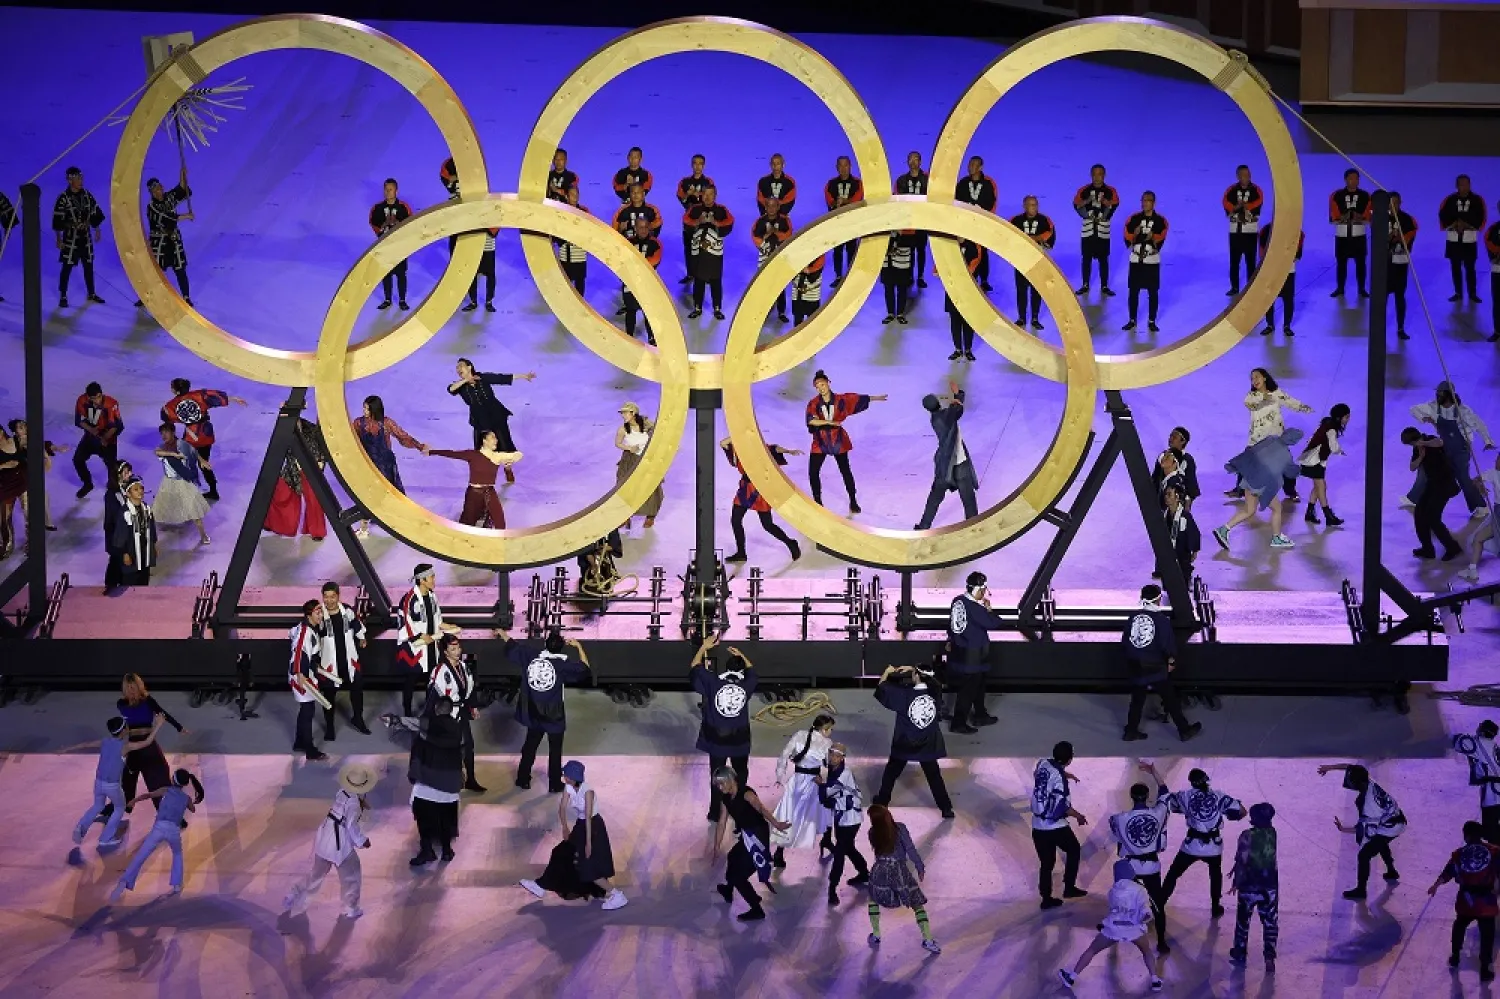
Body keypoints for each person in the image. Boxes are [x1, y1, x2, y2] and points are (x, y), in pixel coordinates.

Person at [1216, 368, 1313, 551]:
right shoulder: (1251, 397)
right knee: (1275, 507)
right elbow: (1250, 404)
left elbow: (1289, 401)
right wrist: (1264, 398)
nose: (1254, 380)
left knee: (1249, 509)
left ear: (1265, 377)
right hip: (1257, 451)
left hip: (1271, 449)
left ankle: (1224, 529)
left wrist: (1302, 407)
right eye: (1252, 378)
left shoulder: (1276, 394)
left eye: (1257, 377)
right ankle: (1276, 537)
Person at [523, 760, 629, 909]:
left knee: (588, 866)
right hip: (581, 825)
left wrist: (588, 843)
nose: (563, 776)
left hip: (593, 827)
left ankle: (617, 895)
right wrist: (565, 827)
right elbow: (562, 808)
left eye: (565, 774)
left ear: (572, 777)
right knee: (561, 852)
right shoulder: (569, 787)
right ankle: (541, 886)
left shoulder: (588, 793)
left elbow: (588, 818)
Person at [282, 763, 377, 921]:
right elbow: (351, 826)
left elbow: (346, 808)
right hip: (339, 845)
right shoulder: (354, 804)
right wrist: (363, 841)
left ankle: (294, 894)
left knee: (316, 875)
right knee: (352, 876)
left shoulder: (342, 793)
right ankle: (351, 908)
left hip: (325, 837)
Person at [499, 629, 590, 792]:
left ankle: (523, 779)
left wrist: (501, 632)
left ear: (545, 645)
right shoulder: (563, 664)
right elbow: (585, 669)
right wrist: (578, 647)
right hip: (553, 714)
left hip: (534, 710)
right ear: (562, 647)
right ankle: (554, 784)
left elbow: (512, 644)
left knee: (530, 746)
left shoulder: (531, 656)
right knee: (555, 750)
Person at [1057, 859, 1165, 993]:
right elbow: (1146, 911)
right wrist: (1144, 918)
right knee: (1147, 951)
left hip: (1113, 929)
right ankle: (1155, 980)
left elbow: (1113, 910)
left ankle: (1072, 977)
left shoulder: (1113, 891)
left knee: (1092, 950)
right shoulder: (1140, 889)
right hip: (1134, 930)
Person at [96, 673, 188, 828]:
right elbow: (163, 714)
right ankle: (171, 816)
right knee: (156, 782)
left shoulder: (122, 704)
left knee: (132, 782)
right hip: (147, 747)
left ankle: (115, 808)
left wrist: (179, 726)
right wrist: (179, 727)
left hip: (135, 748)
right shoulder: (146, 701)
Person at [1121, 584, 1201, 742]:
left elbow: (1125, 641)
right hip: (1154, 667)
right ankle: (1184, 730)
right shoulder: (1161, 621)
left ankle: (1131, 731)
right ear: (1158, 600)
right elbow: (1167, 645)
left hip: (1135, 664)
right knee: (1170, 698)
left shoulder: (1132, 618)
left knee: (1137, 700)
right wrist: (1171, 661)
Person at [871, 664, 954, 818]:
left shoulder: (903, 695)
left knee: (891, 773)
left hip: (905, 741)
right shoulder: (935, 692)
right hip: (928, 742)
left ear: (915, 675)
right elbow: (934, 681)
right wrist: (914, 669)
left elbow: (882, 689)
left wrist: (887, 672)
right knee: (934, 776)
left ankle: (882, 802)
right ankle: (946, 808)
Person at [109, 768, 204, 901]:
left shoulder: (166, 790)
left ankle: (125, 881)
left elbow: (148, 795)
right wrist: (189, 802)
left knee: (141, 855)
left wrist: (134, 801)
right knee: (177, 854)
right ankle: (176, 884)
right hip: (174, 831)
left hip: (159, 828)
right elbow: (192, 809)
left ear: (173, 779)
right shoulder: (186, 798)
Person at [1162, 768, 1246, 917]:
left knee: (1173, 874)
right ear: (1207, 779)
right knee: (1215, 875)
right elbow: (1242, 811)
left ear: (1191, 783)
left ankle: (1160, 902)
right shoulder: (1219, 796)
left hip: (1191, 846)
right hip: (1213, 847)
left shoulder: (1185, 796)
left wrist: (1156, 774)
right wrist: (1231, 816)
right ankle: (1215, 907)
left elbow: (1166, 800)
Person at [690, 634, 757, 822]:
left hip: (717, 740)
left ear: (726, 668)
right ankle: (739, 811)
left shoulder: (713, 682)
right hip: (739, 741)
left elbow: (695, 667)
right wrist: (742, 655)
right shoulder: (747, 685)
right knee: (740, 776)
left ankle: (715, 813)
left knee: (717, 777)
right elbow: (752, 671)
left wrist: (704, 647)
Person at [1109, 761, 1172, 954]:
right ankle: (1161, 942)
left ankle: (1113, 935)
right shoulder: (1159, 813)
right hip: (1151, 866)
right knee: (1158, 904)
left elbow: (1118, 839)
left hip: (1130, 867)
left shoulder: (1118, 819)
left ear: (1131, 797)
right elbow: (1165, 792)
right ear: (1147, 797)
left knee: (1120, 901)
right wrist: (1154, 771)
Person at [710, 767, 788, 921]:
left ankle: (756, 909)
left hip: (757, 837)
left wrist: (777, 824)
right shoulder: (725, 798)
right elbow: (721, 822)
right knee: (732, 856)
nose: (720, 787)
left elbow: (762, 810)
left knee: (739, 877)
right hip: (747, 834)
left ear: (730, 780)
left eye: (721, 783)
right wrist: (716, 847)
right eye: (717, 785)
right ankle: (728, 889)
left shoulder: (747, 794)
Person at [73, 714, 163, 849]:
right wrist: (159, 725)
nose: (128, 728)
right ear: (123, 730)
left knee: (97, 806)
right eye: (126, 726)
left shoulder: (104, 741)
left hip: (98, 782)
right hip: (112, 785)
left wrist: (67, 749)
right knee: (120, 807)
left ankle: (81, 827)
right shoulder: (125, 746)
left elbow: (86, 744)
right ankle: (106, 838)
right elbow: (147, 742)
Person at [1319, 762, 1406, 899]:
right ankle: (1391, 871)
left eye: (1352, 781)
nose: (1350, 783)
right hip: (1395, 819)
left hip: (1390, 827)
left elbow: (1365, 830)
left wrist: (1343, 829)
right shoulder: (1369, 781)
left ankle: (1361, 890)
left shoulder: (1370, 807)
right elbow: (1350, 767)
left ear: (1358, 783)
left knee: (1364, 855)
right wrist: (1329, 768)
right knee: (1381, 843)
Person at [1411, 380, 1495, 517]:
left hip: (1461, 450)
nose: (1437, 396)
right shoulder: (1433, 407)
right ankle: (1414, 499)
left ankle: (1481, 506)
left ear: (1449, 394)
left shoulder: (1463, 411)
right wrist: (1425, 418)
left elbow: (1479, 425)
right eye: (1437, 393)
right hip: (1444, 447)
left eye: (1440, 393)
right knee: (1432, 471)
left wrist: (1487, 441)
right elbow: (1413, 409)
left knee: (1463, 478)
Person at [806, 369, 884, 514]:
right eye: (817, 386)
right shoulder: (813, 403)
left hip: (837, 440)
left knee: (845, 471)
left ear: (828, 383)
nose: (820, 388)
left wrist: (875, 398)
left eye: (822, 385)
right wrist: (831, 423)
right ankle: (818, 502)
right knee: (813, 472)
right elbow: (811, 420)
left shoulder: (841, 400)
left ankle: (853, 500)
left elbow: (858, 399)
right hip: (820, 441)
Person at [865, 803, 940, 954]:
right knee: (916, 904)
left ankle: (877, 934)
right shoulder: (900, 828)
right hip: (899, 870)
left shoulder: (872, 832)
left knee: (873, 899)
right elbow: (910, 849)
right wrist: (919, 866)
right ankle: (928, 940)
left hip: (880, 869)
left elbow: (878, 853)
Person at [1431, 820, 1500, 982]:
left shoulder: (1459, 854)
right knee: (1487, 935)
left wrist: (1436, 885)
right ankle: (1485, 968)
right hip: (1486, 902)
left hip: (1466, 901)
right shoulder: (1495, 851)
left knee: (1460, 925)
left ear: (1466, 835)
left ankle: (1455, 955)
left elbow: (1448, 872)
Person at [448, 358, 535, 481]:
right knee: (481, 449)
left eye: (461, 366)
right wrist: (466, 380)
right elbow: (451, 389)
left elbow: (501, 378)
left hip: (496, 416)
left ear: (469, 367)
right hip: (479, 420)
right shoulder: (460, 386)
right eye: (457, 368)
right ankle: (483, 475)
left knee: (504, 445)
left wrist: (523, 376)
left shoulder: (482, 377)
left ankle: (508, 468)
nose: (458, 369)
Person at [161, 378, 247, 502]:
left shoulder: (171, 405)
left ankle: (186, 492)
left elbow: (165, 416)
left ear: (175, 390)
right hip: (206, 434)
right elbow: (217, 397)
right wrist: (234, 398)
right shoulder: (199, 395)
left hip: (191, 436)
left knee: (186, 463)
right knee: (204, 463)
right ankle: (213, 490)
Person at [770, 714, 836, 869]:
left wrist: (780, 776)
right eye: (830, 729)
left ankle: (779, 852)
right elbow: (828, 763)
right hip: (814, 782)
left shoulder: (800, 734)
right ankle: (826, 839)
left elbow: (784, 755)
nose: (831, 732)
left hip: (796, 780)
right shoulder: (826, 743)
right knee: (824, 810)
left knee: (790, 814)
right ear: (824, 729)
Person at [352, 395, 425, 536]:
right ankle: (364, 528)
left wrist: (419, 446)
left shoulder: (386, 423)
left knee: (390, 494)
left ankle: (397, 523)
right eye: (364, 407)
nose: (364, 411)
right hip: (368, 464)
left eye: (367, 408)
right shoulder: (358, 423)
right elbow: (352, 441)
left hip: (385, 464)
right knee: (366, 495)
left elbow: (403, 437)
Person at [720, 437, 801, 563]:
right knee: (735, 520)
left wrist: (788, 451)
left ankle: (790, 543)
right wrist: (737, 433)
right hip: (745, 488)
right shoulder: (737, 447)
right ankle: (741, 553)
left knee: (767, 525)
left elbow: (774, 449)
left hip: (760, 490)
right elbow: (723, 443)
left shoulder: (759, 447)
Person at [395, 564, 460, 716]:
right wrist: (420, 636)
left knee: (432, 679)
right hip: (416, 648)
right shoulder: (409, 599)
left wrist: (448, 626)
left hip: (431, 646)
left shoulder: (432, 596)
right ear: (422, 580)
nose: (434, 579)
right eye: (431, 577)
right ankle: (407, 711)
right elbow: (405, 622)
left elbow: (437, 620)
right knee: (411, 680)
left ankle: (430, 709)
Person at [1032, 740, 1089, 910]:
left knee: (1046, 864)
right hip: (1054, 827)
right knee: (1074, 849)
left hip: (1037, 826)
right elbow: (1062, 807)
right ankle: (1069, 887)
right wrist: (1078, 816)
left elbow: (1041, 776)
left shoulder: (1043, 762)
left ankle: (1046, 897)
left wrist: (1064, 774)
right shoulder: (1060, 783)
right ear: (1069, 759)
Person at [424, 431, 523, 528]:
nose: (496, 440)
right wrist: (432, 452)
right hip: (474, 494)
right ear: (484, 440)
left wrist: (509, 460)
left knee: (499, 520)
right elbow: (452, 454)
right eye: (493, 437)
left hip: (489, 492)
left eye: (496, 438)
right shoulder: (472, 454)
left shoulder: (497, 456)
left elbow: (518, 455)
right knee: (467, 523)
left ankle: (499, 539)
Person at [408, 695, 464, 866]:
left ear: (436, 709)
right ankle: (446, 851)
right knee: (446, 820)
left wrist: (413, 776)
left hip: (426, 783)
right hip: (450, 786)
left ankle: (427, 851)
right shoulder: (458, 729)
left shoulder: (426, 727)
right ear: (450, 710)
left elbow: (417, 755)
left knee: (423, 821)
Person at [915, 383, 978, 530]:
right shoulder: (944, 417)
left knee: (935, 498)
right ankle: (973, 527)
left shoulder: (936, 418)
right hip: (958, 465)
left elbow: (955, 410)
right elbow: (957, 410)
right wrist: (957, 394)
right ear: (937, 403)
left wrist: (956, 401)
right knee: (968, 500)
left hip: (944, 466)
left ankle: (924, 526)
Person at [947, 571, 1003, 732]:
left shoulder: (957, 601)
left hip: (961, 651)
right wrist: (989, 609)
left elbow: (952, 624)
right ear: (979, 590)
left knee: (978, 686)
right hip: (974, 655)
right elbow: (994, 623)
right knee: (968, 690)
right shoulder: (975, 608)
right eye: (984, 590)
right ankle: (958, 723)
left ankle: (980, 714)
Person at [1228, 802, 1280, 972]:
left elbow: (1242, 860)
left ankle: (1240, 951)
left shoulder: (1246, 835)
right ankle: (1269, 956)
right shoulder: (1273, 833)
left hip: (1249, 885)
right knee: (1270, 922)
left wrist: (1236, 882)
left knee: (1243, 921)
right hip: (1269, 886)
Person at [429, 634, 484, 792]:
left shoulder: (464, 667)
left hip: (461, 712)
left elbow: (471, 688)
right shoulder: (439, 671)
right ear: (445, 652)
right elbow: (433, 697)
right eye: (453, 649)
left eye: (458, 647)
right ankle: (452, 779)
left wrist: (473, 707)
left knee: (468, 746)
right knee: (450, 749)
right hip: (446, 715)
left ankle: (471, 779)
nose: (457, 651)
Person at [818, 742, 870, 906]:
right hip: (843, 818)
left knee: (840, 852)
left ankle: (832, 889)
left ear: (842, 758)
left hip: (850, 820)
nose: (833, 758)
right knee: (848, 848)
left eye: (837, 755)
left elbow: (826, 793)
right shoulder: (835, 771)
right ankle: (863, 873)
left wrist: (820, 784)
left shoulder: (843, 774)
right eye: (831, 754)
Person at [1402, 426, 1463, 561]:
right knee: (1419, 512)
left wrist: (1423, 443)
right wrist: (1421, 456)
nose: (1412, 446)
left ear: (1415, 439)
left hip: (1444, 484)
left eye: (1411, 443)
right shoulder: (1416, 449)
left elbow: (1440, 442)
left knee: (1433, 518)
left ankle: (1453, 547)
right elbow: (1412, 467)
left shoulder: (1430, 440)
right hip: (1432, 484)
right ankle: (1427, 549)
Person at [264, 418, 328, 541]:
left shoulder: (311, 430)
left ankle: (316, 531)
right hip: (292, 469)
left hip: (310, 470)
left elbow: (322, 450)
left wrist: (320, 462)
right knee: (280, 493)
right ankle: (272, 523)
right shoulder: (285, 433)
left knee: (314, 500)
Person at [319, 582, 369, 737]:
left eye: (332, 596)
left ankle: (358, 718)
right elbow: (309, 633)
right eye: (326, 597)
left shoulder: (347, 611)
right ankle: (329, 727)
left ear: (338, 596)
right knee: (328, 696)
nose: (329, 600)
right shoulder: (319, 613)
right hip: (329, 663)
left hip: (349, 661)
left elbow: (357, 625)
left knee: (357, 691)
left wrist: (361, 638)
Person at [149, 421, 211, 546]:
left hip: (183, 482)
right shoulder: (164, 447)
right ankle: (150, 537)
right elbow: (157, 452)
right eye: (162, 433)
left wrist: (202, 460)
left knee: (194, 511)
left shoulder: (182, 445)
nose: (164, 435)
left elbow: (193, 452)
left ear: (173, 432)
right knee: (159, 509)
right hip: (168, 482)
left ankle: (203, 535)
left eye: (166, 432)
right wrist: (172, 454)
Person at [53, 165, 105, 307]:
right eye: (77, 178)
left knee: (88, 265)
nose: (81, 180)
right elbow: (58, 219)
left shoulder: (87, 195)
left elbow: (96, 211)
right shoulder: (63, 198)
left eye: (81, 177)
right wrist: (58, 238)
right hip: (70, 238)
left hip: (85, 237)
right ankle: (63, 295)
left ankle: (91, 293)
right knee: (67, 267)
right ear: (70, 180)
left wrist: (97, 228)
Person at [288, 600, 331, 762]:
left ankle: (300, 742)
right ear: (309, 615)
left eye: (321, 612)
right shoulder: (305, 632)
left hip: (304, 673)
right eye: (317, 612)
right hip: (302, 675)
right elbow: (299, 651)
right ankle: (310, 750)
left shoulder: (305, 628)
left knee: (306, 709)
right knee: (308, 711)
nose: (321, 615)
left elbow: (291, 635)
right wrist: (300, 673)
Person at [1122, 191, 1168, 333]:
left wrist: (1152, 236)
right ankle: (1132, 320)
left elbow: (1162, 236)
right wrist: (1134, 235)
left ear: (1153, 202)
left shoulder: (1161, 220)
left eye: (1147, 200)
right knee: (1133, 291)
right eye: (1143, 200)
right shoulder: (1133, 218)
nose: (1144, 203)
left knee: (1153, 291)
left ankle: (1151, 321)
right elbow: (1127, 236)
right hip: (1136, 259)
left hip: (1152, 260)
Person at [685, 186, 733, 321]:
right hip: (698, 251)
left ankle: (717, 308)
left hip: (714, 252)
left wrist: (715, 223)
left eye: (710, 194)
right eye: (705, 194)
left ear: (715, 195)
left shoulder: (721, 210)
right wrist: (697, 222)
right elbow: (686, 222)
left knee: (715, 280)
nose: (707, 197)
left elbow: (729, 224)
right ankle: (697, 308)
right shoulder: (695, 209)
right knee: (698, 280)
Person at [1299, 404, 1351, 527]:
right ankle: (1328, 515)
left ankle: (1310, 513)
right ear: (1339, 418)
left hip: (1312, 459)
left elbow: (1312, 438)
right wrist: (1340, 451)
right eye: (1347, 417)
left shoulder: (1326, 423)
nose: (1348, 419)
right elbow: (1333, 446)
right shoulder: (1331, 429)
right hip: (1314, 461)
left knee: (1318, 487)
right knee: (1321, 487)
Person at [1072, 163, 1119, 297]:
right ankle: (1085, 284)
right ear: (1091, 175)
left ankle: (1104, 286)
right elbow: (1076, 205)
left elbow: (1114, 205)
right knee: (1086, 257)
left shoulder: (1111, 191)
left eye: (1100, 174)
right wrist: (1087, 202)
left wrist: (1105, 204)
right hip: (1088, 228)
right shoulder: (1083, 190)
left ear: (1104, 175)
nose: (1097, 177)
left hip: (1103, 228)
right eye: (1094, 174)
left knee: (1103, 258)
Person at [615, 402, 663, 529]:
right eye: (622, 413)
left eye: (626, 413)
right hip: (630, 460)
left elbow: (660, 436)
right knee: (626, 487)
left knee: (650, 487)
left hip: (646, 460)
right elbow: (618, 443)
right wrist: (629, 448)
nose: (623, 415)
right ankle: (625, 516)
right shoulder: (623, 429)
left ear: (633, 413)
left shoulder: (648, 425)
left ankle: (650, 516)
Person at [1010, 195, 1055, 330]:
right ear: (1024, 206)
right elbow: (1009, 236)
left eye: (1035, 205)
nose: (1034, 208)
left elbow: (1050, 236)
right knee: (1021, 291)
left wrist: (1033, 238)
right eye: (1031, 205)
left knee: (1037, 290)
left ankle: (1035, 318)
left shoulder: (1044, 221)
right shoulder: (1015, 220)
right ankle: (1022, 317)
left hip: (1038, 261)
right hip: (1021, 261)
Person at [1440, 174, 1487, 304]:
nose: (1463, 187)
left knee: (1470, 267)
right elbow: (1443, 215)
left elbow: (1481, 217)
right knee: (1455, 267)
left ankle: (1472, 293)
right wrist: (1455, 224)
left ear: (1470, 185)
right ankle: (1458, 292)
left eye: (1466, 184)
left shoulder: (1477, 200)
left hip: (1469, 239)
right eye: (1461, 184)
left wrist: (1466, 224)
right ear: (1456, 186)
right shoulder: (1449, 200)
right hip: (1454, 239)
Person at [72, 381, 124, 499]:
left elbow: (118, 425)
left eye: (99, 397)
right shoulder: (82, 400)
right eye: (93, 398)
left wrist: (105, 438)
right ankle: (87, 484)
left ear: (102, 394)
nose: (97, 401)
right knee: (78, 459)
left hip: (108, 438)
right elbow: (78, 420)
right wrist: (91, 430)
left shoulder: (112, 404)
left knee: (111, 465)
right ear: (88, 397)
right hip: (90, 437)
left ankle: (114, 488)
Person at [368, 178, 412, 311]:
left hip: (399, 247)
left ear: (396, 191)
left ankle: (402, 300)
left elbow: (410, 224)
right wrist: (383, 227)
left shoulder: (403, 207)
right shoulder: (377, 208)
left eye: (390, 190)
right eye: (386, 190)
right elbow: (373, 223)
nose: (388, 192)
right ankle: (387, 299)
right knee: (385, 274)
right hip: (384, 246)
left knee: (401, 274)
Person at [954, 155, 998, 290]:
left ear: (981, 167)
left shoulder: (988, 183)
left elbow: (992, 202)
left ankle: (984, 280)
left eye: (974, 165)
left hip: (981, 223)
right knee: (968, 250)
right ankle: (967, 276)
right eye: (969, 164)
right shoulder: (962, 183)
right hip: (965, 224)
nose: (970, 167)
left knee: (983, 251)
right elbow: (955, 202)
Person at [1454, 720, 1500, 841]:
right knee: (1494, 831)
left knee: (1491, 832)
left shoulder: (1480, 742)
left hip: (1493, 796)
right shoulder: (1495, 747)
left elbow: (1461, 742)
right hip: (1495, 791)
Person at [1330, 168, 1372, 298]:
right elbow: (1333, 217)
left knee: (1360, 263)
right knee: (1341, 263)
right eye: (1351, 178)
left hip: (1359, 234)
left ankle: (1361, 288)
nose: (1354, 181)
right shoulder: (1336, 195)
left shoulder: (1366, 196)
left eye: (1356, 178)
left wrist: (1357, 217)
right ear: (1345, 179)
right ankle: (1340, 288)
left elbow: (1368, 217)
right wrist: (1344, 217)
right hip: (1342, 234)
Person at [1382, 191, 1419, 340]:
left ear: (1400, 203)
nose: (1393, 206)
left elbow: (1410, 237)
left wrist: (1398, 238)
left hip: (1400, 263)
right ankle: (1380, 327)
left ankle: (1400, 327)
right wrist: (1388, 238)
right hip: (1384, 264)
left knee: (1399, 296)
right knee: (1382, 297)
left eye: (1396, 202)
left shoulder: (1408, 220)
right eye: (1390, 203)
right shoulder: (1380, 218)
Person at [1224, 165, 1264, 296]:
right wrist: (1236, 207)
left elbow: (1258, 201)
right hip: (1235, 231)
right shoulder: (1231, 190)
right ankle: (1234, 287)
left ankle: (1250, 287)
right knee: (1234, 261)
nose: (1246, 177)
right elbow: (1225, 202)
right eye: (1243, 175)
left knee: (1250, 261)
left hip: (1250, 231)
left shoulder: (1256, 190)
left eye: (1248, 174)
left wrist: (1246, 206)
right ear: (1238, 176)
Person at [1258, 220, 1303, 336]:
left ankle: (1287, 325)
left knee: (1288, 299)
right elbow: (1262, 251)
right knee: (1269, 299)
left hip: (1288, 271)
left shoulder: (1296, 232)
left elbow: (1298, 251)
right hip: (1271, 270)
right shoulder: (1266, 230)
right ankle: (1270, 325)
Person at [622, 215, 663, 345]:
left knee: (649, 313)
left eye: (646, 227)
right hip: (631, 284)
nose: (643, 230)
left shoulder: (656, 243)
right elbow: (622, 260)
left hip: (648, 285)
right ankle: (629, 336)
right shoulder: (627, 242)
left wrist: (635, 264)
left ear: (649, 228)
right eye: (640, 227)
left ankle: (652, 337)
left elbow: (655, 260)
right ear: (635, 228)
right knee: (630, 310)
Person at [824, 156, 864, 287]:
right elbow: (829, 200)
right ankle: (838, 276)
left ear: (850, 166)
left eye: (845, 165)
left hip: (852, 221)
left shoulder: (857, 183)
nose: (843, 168)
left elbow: (858, 199)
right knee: (838, 250)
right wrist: (836, 202)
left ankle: (850, 275)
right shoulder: (831, 184)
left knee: (852, 249)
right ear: (837, 168)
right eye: (840, 166)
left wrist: (845, 201)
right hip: (837, 222)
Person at [752, 198, 793, 323]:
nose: (771, 209)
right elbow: (755, 238)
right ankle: (764, 311)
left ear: (778, 207)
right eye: (768, 206)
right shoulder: (760, 222)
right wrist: (767, 236)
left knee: (779, 285)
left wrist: (775, 233)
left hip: (779, 258)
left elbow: (788, 234)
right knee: (764, 285)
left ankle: (781, 312)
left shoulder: (785, 220)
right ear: (765, 207)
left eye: (774, 206)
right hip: (764, 258)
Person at [1461, 454, 1500, 581]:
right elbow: (1476, 480)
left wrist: (1480, 486)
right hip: (1497, 513)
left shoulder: (1494, 473)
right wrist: (1481, 487)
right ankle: (1472, 570)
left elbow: (1476, 480)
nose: (1496, 462)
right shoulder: (1493, 473)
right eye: (1497, 459)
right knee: (1478, 538)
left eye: (1498, 459)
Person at [944, 240, 984, 361]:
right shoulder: (949, 245)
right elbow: (940, 265)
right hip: (952, 288)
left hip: (969, 288)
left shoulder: (974, 246)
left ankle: (967, 349)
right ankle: (957, 349)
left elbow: (972, 267)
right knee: (954, 321)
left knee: (968, 321)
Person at [676, 154, 713, 283]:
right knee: (689, 247)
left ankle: (704, 275)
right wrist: (688, 194)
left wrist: (700, 196)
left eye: (700, 163)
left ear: (704, 165)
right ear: (692, 165)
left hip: (704, 219)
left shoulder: (708, 182)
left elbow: (711, 199)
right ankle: (691, 274)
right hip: (689, 219)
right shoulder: (685, 182)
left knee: (704, 247)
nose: (697, 166)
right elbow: (682, 199)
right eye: (695, 163)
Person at [114, 477, 158, 586]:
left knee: (144, 576)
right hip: (131, 549)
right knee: (131, 579)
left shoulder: (146, 509)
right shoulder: (125, 512)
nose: (140, 491)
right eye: (136, 489)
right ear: (128, 494)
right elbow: (120, 534)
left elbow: (151, 528)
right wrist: (124, 553)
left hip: (144, 548)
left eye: (141, 488)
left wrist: (154, 544)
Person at [895, 151, 930, 286]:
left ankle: (920, 276)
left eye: (916, 159)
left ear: (920, 162)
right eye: (910, 159)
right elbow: (898, 200)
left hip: (921, 221)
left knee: (921, 249)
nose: (913, 162)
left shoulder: (928, 180)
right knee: (909, 250)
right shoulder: (901, 180)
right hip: (907, 221)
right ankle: (909, 276)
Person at [102, 460, 133, 589]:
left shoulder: (127, 488)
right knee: (116, 559)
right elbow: (115, 516)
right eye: (126, 472)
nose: (130, 474)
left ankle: (121, 583)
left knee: (122, 561)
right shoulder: (111, 494)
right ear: (118, 474)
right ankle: (111, 585)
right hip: (115, 534)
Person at [1161, 483, 1200, 584]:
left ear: (1177, 497)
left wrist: (1194, 551)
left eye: (1169, 494)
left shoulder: (1185, 516)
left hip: (1182, 554)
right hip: (1167, 554)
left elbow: (1194, 533)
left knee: (1183, 581)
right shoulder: (1164, 515)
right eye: (1165, 494)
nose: (1166, 497)